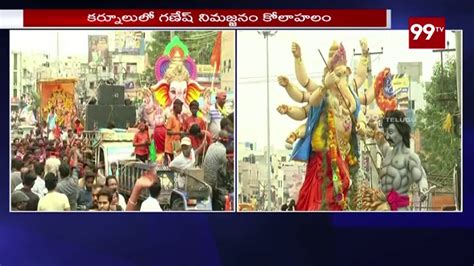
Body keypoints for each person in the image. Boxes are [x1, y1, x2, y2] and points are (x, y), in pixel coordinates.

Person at [365, 110, 429, 211]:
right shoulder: (388, 152)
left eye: (390, 132)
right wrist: (368, 123)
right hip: (382, 207)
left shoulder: (410, 156)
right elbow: (379, 139)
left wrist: (423, 189)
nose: (387, 136)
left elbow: (421, 178)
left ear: (401, 131)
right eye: (386, 132)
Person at [202, 130, 231, 211]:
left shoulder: (211, 146)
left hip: (204, 180)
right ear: (226, 141)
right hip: (213, 183)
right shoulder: (223, 151)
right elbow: (226, 169)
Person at [165, 99, 185, 165]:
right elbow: (168, 132)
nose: (181, 109)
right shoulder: (171, 117)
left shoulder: (178, 118)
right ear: (175, 107)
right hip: (169, 148)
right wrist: (178, 133)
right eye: (180, 107)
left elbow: (179, 129)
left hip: (176, 147)